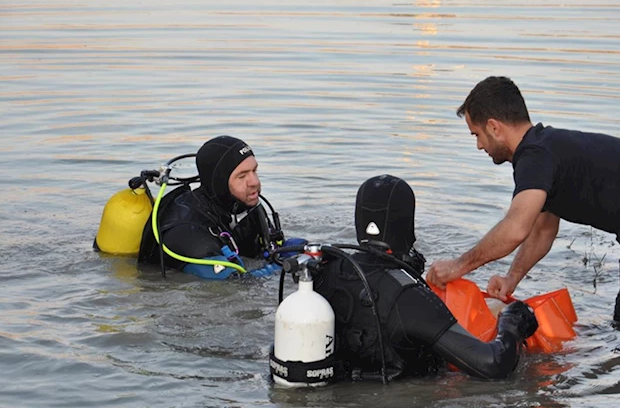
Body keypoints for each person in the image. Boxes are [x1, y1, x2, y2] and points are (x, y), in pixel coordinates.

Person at [426, 76, 620, 350]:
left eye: (476, 134)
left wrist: (457, 267)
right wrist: (512, 278)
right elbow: (542, 229)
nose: (479, 145)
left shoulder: (537, 155)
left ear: (494, 126)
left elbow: (516, 228)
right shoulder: (543, 152)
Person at [313, 174, 540, 381]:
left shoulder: (323, 271)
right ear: (406, 223)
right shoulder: (409, 296)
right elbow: (492, 365)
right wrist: (511, 324)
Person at [138, 135, 305, 279]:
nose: (254, 182)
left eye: (254, 171)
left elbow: (267, 251)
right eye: (242, 176)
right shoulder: (186, 230)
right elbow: (234, 283)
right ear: (220, 182)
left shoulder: (244, 205)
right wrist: (291, 265)